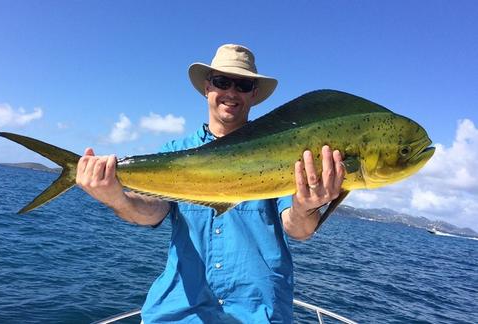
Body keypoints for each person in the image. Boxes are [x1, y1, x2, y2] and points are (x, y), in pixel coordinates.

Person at [76, 44, 345, 323]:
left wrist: (305, 207)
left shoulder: (285, 152)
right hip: (179, 313)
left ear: (253, 94)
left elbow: (298, 229)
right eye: (221, 81)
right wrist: (115, 197)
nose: (231, 92)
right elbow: (154, 210)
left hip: (258, 313)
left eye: (242, 84)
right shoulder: (175, 151)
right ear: (207, 87)